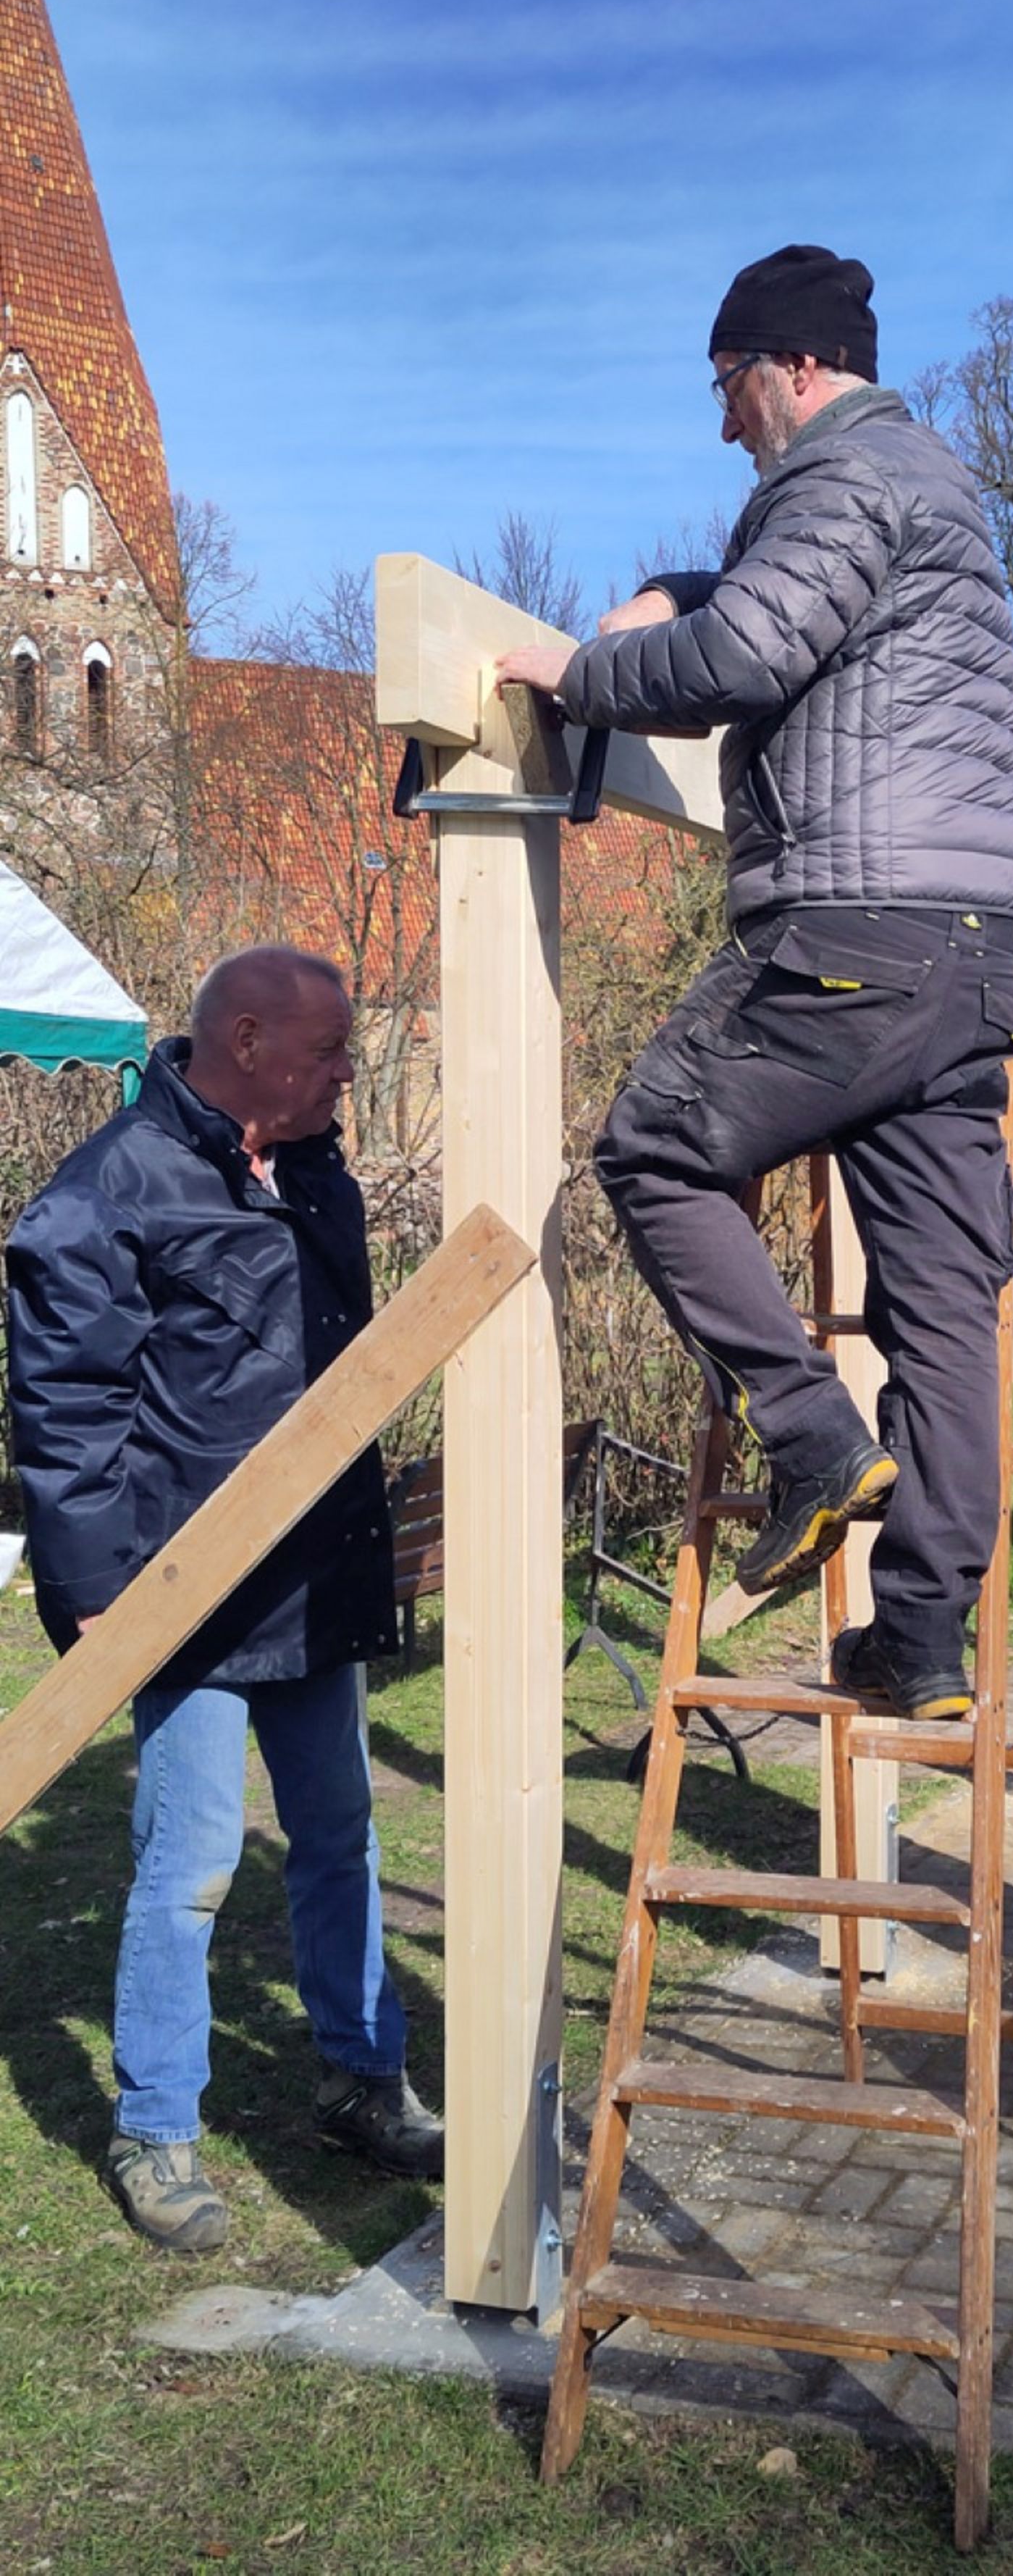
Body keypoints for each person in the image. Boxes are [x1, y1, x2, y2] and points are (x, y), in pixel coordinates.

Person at [497, 243, 1013, 1721]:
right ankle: (920, 1638)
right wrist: (675, 586)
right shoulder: (931, 484)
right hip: (970, 959)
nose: (725, 419)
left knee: (653, 1149)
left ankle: (808, 1434)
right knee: (945, 1310)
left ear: (794, 368)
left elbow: (742, 655)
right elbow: (790, 610)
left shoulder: (837, 472)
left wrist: (569, 673)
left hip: (855, 930)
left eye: (730, 383)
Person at [6, 946, 442, 2254]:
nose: (350, 1072)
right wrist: (97, 1593)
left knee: (341, 1838)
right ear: (245, 1042)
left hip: (314, 1578)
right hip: (184, 1593)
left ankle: (363, 2084)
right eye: (330, 1050)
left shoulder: (313, 1171)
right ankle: (156, 2130)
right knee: (191, 1861)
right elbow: (65, 1405)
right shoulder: (109, 1190)